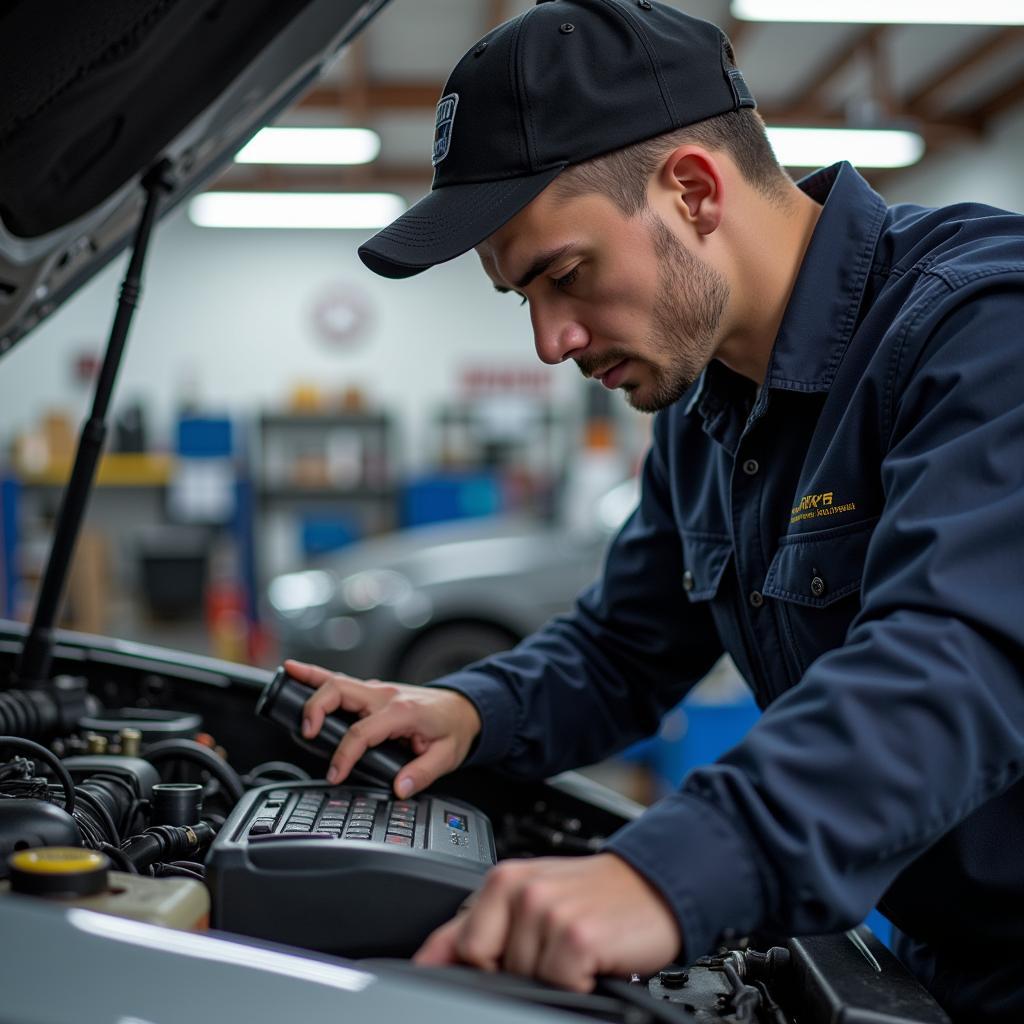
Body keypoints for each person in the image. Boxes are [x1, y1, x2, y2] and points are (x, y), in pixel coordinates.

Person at [289, 0, 1024, 1017]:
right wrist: (469, 707)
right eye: (524, 300)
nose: (550, 342)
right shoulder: (704, 404)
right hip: (943, 956)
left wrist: (667, 871)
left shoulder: (983, 329)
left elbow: (955, 661)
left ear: (691, 189)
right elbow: (624, 647)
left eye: (565, 275)